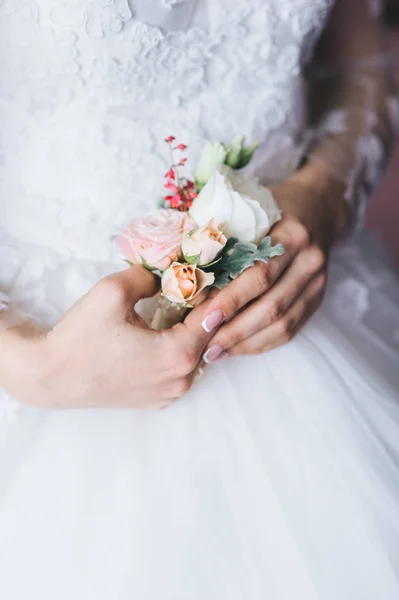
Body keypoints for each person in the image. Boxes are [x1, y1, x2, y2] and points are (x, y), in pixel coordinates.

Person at [1, 0, 399, 598]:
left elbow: (359, 53)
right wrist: (24, 362)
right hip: (48, 354)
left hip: (299, 306)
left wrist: (324, 193)